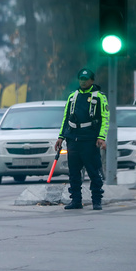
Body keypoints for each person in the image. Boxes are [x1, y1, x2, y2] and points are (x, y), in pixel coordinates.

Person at [55, 68, 109, 210]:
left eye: (86, 79)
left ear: (92, 80)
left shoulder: (99, 97)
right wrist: (61, 137)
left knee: (93, 171)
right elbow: (66, 118)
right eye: (81, 79)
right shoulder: (73, 96)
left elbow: (105, 118)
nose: (83, 81)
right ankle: (76, 201)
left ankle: (96, 200)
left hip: (90, 140)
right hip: (73, 139)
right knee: (74, 172)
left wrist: (101, 137)